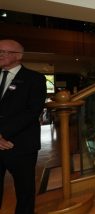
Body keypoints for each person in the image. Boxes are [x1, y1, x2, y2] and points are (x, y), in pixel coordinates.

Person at [0, 39, 47, 214]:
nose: (0, 55)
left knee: (25, 191)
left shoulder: (35, 79)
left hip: (21, 145)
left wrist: (2, 133)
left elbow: (32, 111)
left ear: (19, 56)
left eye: (5, 51)